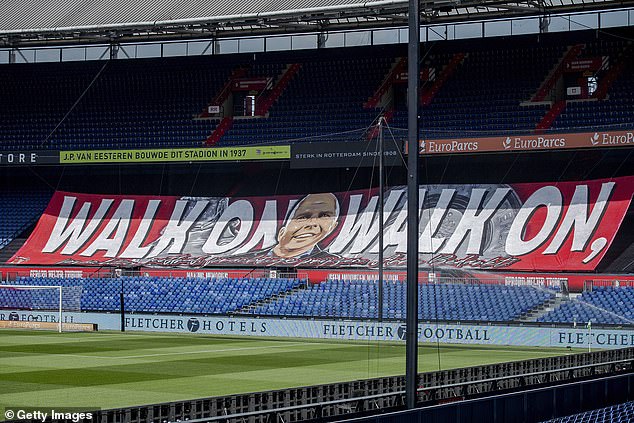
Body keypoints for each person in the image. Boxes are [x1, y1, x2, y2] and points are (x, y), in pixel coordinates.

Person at [271, 192, 339, 258]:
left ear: (332, 227)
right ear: (281, 233)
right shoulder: (261, 257)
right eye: (303, 217)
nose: (312, 223)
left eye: (324, 216)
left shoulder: (330, 261)